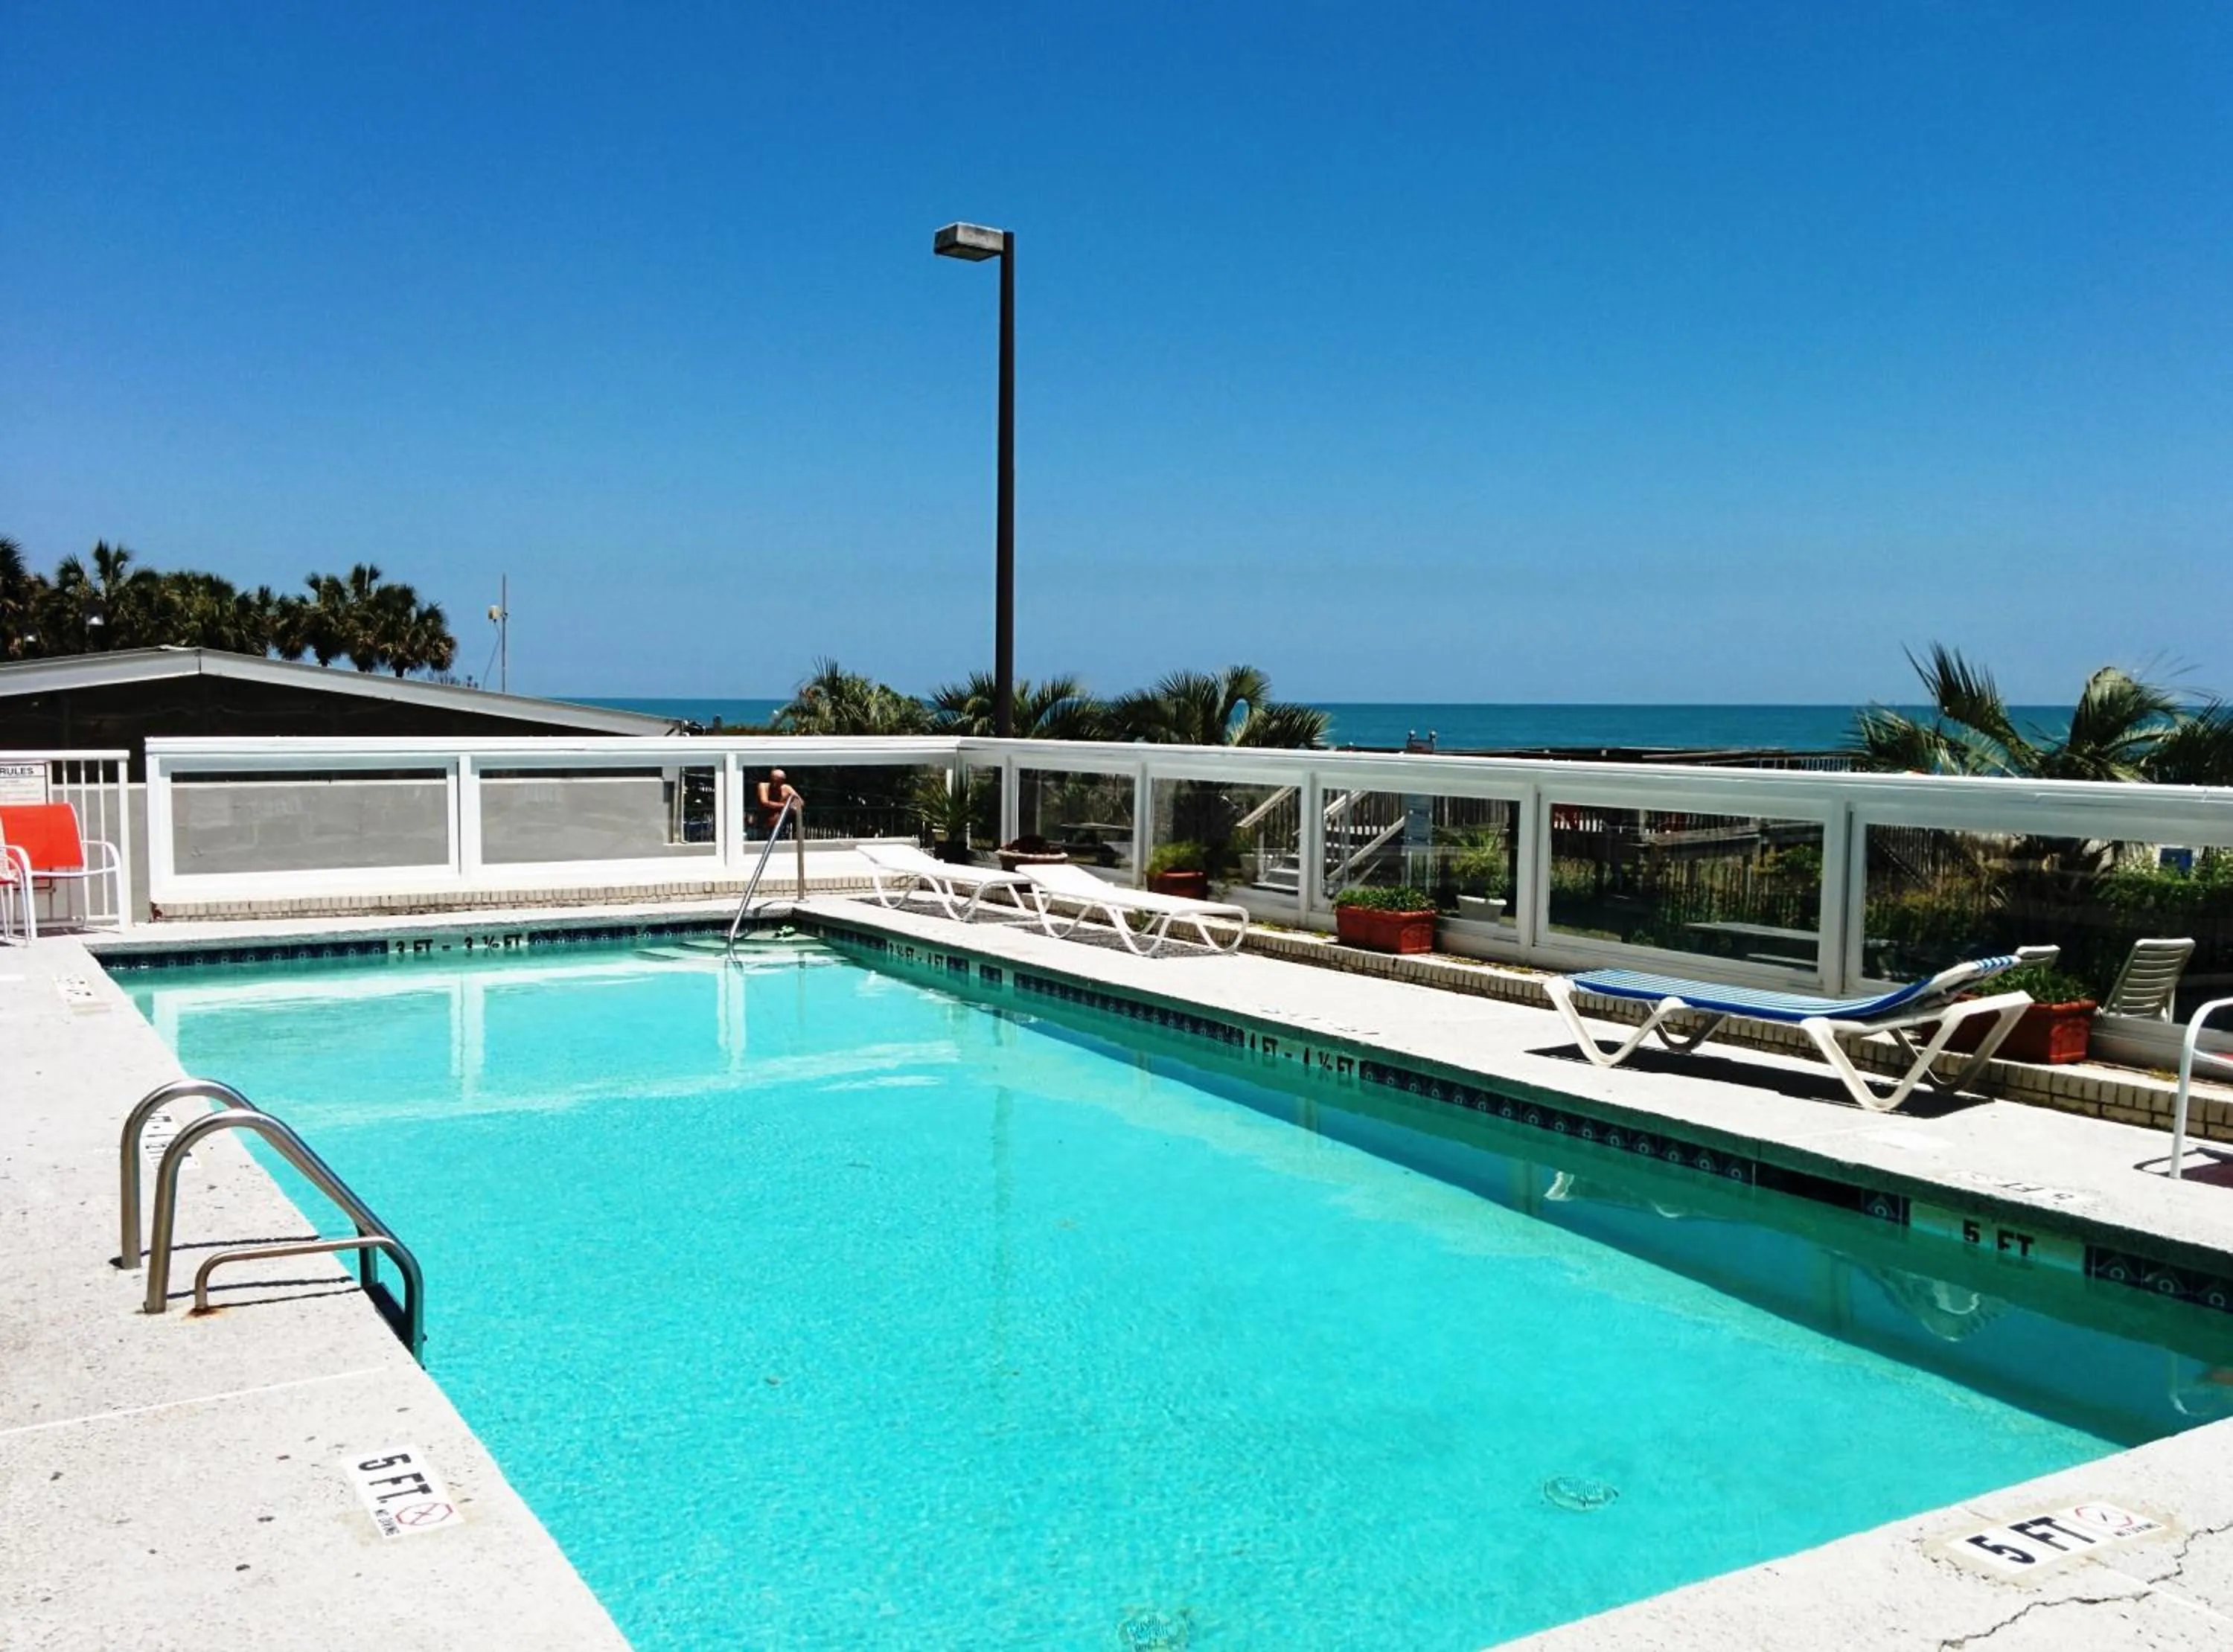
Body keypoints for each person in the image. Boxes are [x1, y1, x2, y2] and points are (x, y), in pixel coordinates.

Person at [755, 769, 801, 837]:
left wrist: (792, 807)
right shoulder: (763, 786)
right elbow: (764, 802)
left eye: (778, 782)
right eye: (773, 781)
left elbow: (800, 802)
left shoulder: (786, 788)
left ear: (783, 782)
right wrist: (785, 806)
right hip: (764, 825)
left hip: (781, 825)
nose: (774, 784)